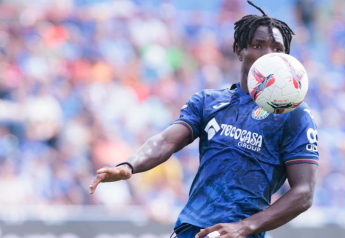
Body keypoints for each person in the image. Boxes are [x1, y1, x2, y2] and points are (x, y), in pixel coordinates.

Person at [89, 1, 319, 238]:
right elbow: (167, 140)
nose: (267, 55)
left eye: (277, 49)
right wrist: (130, 165)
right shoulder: (208, 102)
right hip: (190, 230)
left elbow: (304, 192)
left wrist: (246, 226)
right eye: (257, 45)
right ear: (239, 50)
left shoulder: (293, 115)